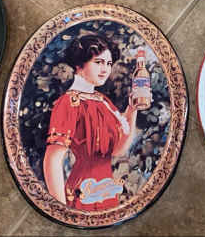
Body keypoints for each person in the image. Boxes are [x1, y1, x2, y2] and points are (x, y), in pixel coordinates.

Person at [43, 34, 146, 210]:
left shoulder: (102, 100)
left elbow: (118, 150)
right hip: (83, 193)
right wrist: (62, 211)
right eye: (98, 62)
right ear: (79, 64)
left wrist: (132, 109)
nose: (105, 69)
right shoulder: (69, 102)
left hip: (108, 191)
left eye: (109, 63)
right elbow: (52, 159)